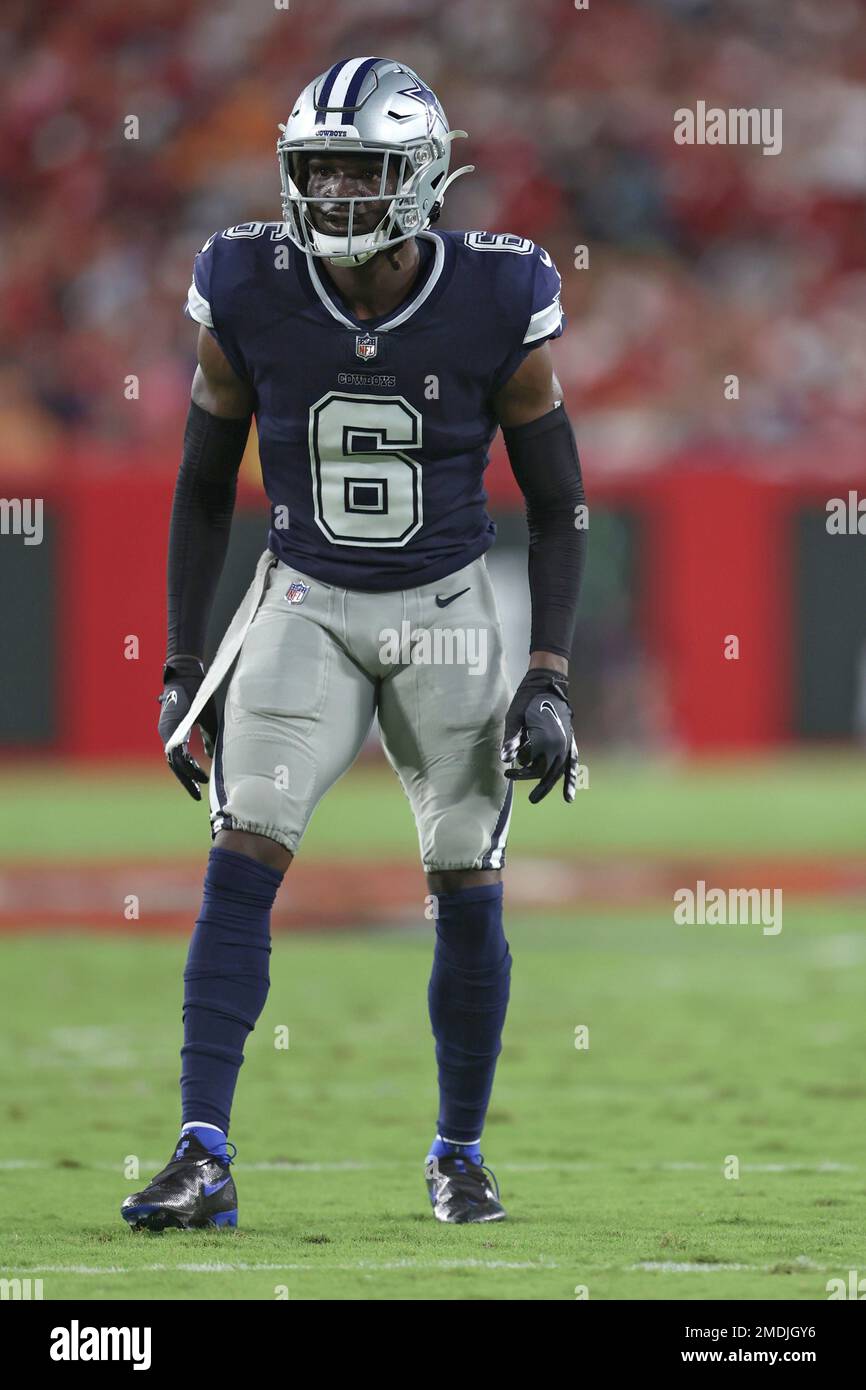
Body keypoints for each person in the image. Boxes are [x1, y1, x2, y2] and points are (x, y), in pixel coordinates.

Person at [122, 56, 585, 1231]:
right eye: (316, 170)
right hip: (305, 604)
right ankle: (202, 1151)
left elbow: (556, 498)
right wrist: (182, 659)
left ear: (423, 175)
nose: (332, 194)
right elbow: (199, 484)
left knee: (464, 881)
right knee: (244, 849)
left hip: (445, 610)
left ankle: (458, 1151)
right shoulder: (244, 280)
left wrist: (548, 673)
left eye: (359, 170)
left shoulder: (496, 291)